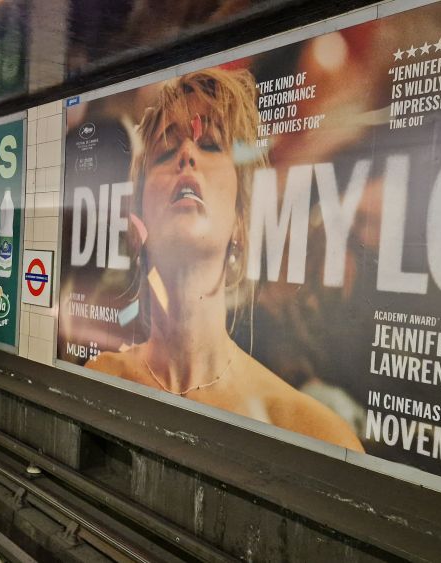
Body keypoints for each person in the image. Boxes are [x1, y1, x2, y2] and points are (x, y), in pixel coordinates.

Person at [85, 68, 363, 452]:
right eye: (166, 150)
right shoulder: (100, 380)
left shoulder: (314, 435)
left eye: (211, 145)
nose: (186, 154)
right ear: (137, 224)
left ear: (240, 224)